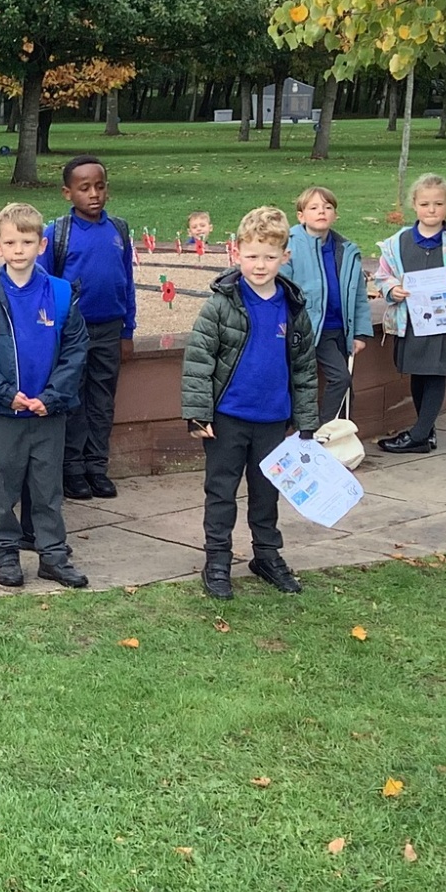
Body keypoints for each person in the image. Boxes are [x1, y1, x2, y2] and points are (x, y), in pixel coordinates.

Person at [181, 205, 320, 599]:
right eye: (253, 255)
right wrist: (197, 414)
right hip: (227, 418)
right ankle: (217, 560)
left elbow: (304, 366)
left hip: (273, 419)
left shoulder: (292, 307)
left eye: (270, 257)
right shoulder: (221, 304)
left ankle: (267, 555)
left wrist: (306, 420)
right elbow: (198, 361)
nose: (260, 265)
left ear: (284, 257)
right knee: (221, 492)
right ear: (236, 252)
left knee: (266, 493)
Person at [0, 202, 90, 590]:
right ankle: (6, 555)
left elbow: (76, 348)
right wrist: (4, 394)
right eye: (10, 242)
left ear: (41, 245)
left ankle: (53, 556)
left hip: (47, 413)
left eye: (27, 242)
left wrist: (52, 395)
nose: (18, 250)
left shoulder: (60, 293)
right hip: (2, 414)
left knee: (47, 490)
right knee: (2, 489)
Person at [371, 173, 446, 454]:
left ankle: (418, 435)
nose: (431, 210)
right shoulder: (397, 243)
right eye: (425, 204)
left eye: (438, 204)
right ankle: (426, 432)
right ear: (414, 205)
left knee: (435, 372)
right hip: (412, 320)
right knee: (419, 372)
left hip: (444, 321)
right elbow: (383, 275)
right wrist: (392, 289)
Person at [46, 155, 135, 500]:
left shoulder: (118, 230)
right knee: (73, 400)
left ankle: (97, 466)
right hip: (71, 333)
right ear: (67, 193)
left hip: (109, 330)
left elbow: (127, 282)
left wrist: (127, 330)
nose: (94, 194)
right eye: (84, 188)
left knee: (102, 401)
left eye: (99, 186)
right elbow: (46, 286)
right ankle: (72, 469)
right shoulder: (58, 233)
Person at [281, 186, 374, 426]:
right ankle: (319, 432)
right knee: (335, 379)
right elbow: (282, 289)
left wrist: (361, 332)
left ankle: (335, 432)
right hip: (310, 328)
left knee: (345, 384)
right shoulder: (289, 246)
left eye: (327, 207)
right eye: (313, 207)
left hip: (339, 328)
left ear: (335, 215)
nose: (321, 211)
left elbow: (358, 294)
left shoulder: (346, 250)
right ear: (301, 216)